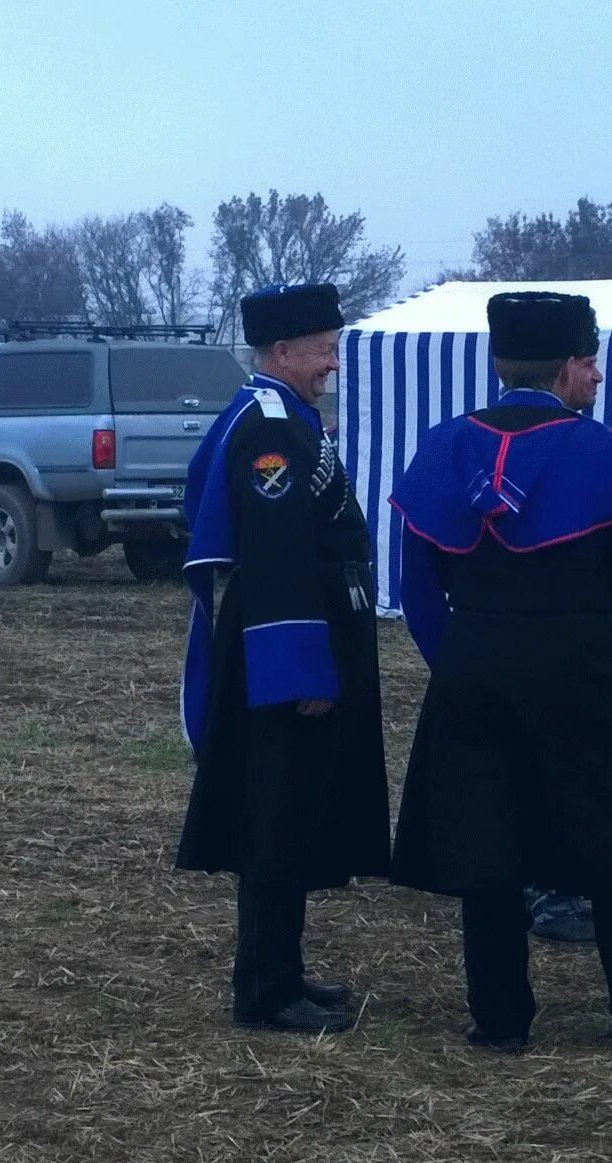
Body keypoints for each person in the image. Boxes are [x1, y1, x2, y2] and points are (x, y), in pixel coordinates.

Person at [390, 292, 612, 1057]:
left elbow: (417, 586)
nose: (594, 377)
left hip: (476, 662)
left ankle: (499, 1021)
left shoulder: (442, 445)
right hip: (583, 659)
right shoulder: (599, 452)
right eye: (588, 363)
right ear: (565, 367)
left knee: (485, 843)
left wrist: (456, 658)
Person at [175, 284, 392, 1034]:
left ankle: (284, 970)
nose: (333, 363)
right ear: (281, 352)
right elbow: (275, 559)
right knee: (274, 818)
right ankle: (266, 990)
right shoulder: (267, 429)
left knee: (294, 814)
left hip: (301, 644)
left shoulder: (285, 417)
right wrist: (301, 669)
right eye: (325, 350)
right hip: (284, 654)